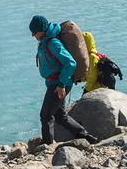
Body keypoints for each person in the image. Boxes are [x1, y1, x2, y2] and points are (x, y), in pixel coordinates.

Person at [30, 16, 92, 145]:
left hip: (58, 84)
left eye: (34, 32)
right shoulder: (45, 41)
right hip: (55, 83)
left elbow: (70, 63)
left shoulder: (52, 43)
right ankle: (86, 137)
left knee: (45, 115)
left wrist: (61, 84)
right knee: (60, 116)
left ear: (41, 30)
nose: (32, 35)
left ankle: (47, 146)